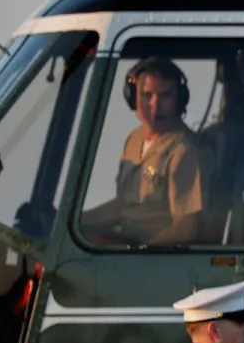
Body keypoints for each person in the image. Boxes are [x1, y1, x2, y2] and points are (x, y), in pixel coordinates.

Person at [82, 56, 212, 245]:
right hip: (124, 242)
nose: (155, 105)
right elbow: (123, 206)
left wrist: (140, 254)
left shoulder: (184, 152)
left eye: (165, 95)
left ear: (180, 100)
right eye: (147, 95)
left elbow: (186, 228)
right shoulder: (134, 140)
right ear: (132, 97)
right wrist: (78, 222)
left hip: (154, 259)